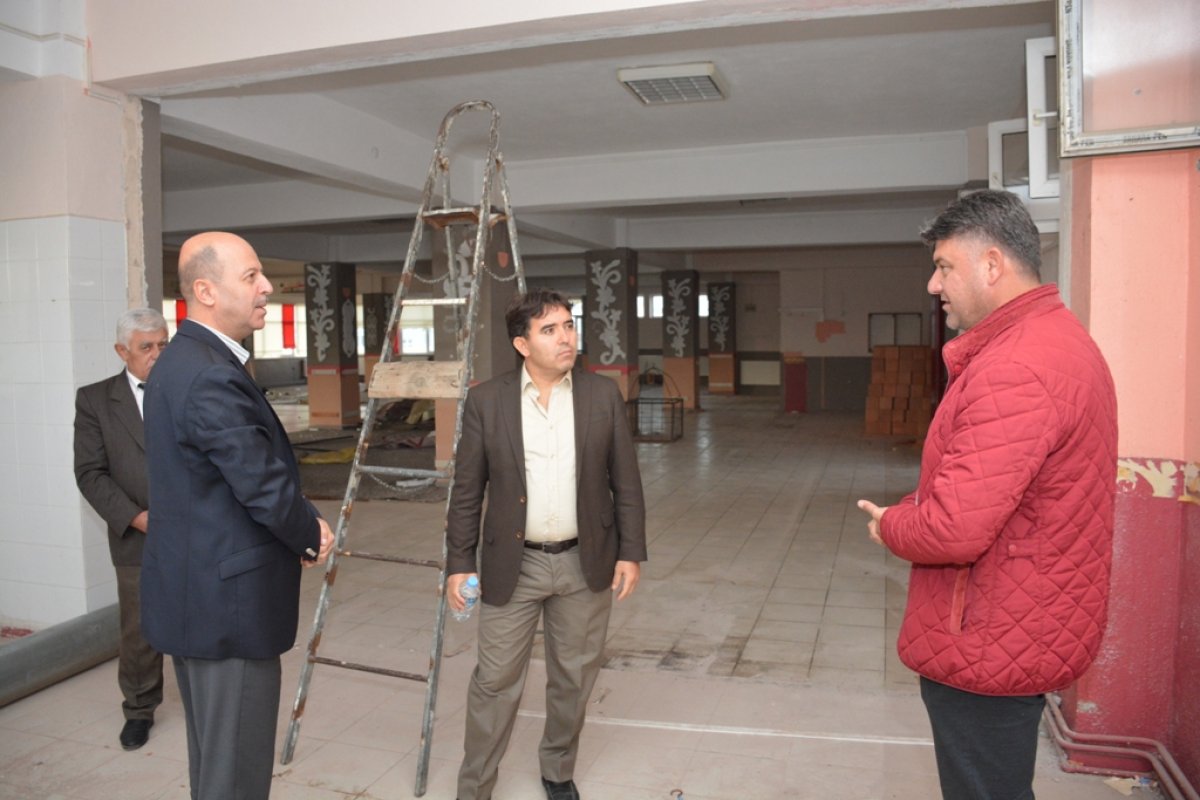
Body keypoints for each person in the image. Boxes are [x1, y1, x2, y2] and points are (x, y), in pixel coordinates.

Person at [856, 189, 1117, 800]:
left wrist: (893, 523)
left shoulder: (1017, 367)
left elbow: (955, 528)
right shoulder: (1055, 341)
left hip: (993, 634)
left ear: (992, 264)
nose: (933, 284)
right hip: (1023, 618)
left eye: (944, 266)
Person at [141, 232, 333, 800]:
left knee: (216, 765)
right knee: (236, 775)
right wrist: (308, 532)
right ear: (205, 291)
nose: (267, 286)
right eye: (251, 276)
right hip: (229, 609)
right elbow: (261, 484)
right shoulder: (209, 374)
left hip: (197, 597)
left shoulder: (183, 361)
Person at [447, 288, 647, 800]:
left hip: (586, 561)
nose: (566, 338)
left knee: (574, 678)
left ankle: (558, 771)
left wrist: (630, 551)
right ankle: (475, 787)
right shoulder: (487, 401)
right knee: (494, 682)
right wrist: (459, 563)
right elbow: (467, 491)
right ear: (522, 344)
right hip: (513, 564)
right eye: (550, 330)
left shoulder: (601, 395)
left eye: (569, 325)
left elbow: (626, 481)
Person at [73, 308, 169, 751]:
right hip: (136, 534)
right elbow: (90, 473)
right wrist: (137, 518)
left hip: (194, 530)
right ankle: (139, 709)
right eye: (146, 347)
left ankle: (207, 699)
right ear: (121, 351)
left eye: (163, 344)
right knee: (140, 627)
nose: (157, 354)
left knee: (200, 616)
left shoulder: (185, 391)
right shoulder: (95, 400)